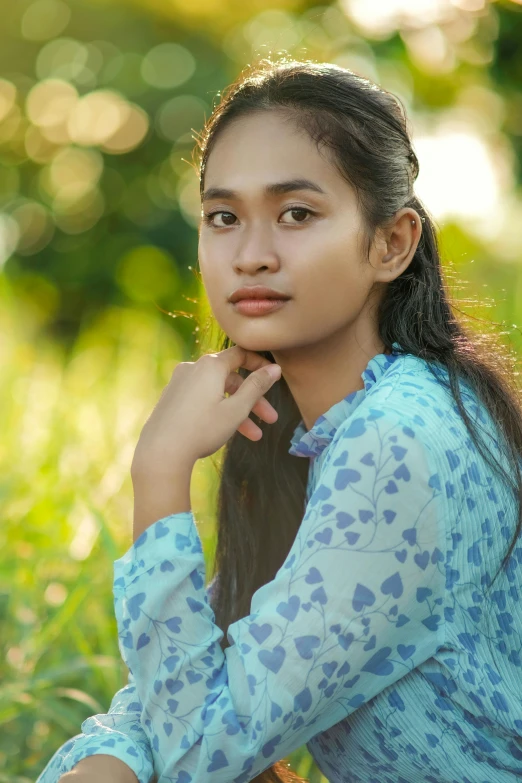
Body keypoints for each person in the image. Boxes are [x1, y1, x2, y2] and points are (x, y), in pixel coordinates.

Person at [37, 57, 522, 783]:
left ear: (392, 243)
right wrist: (108, 759)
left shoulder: (400, 439)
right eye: (223, 217)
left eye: (297, 213)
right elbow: (180, 709)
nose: (251, 256)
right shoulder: (323, 428)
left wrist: (161, 467)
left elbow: (201, 750)